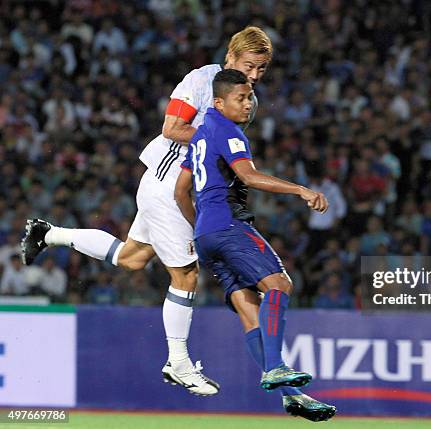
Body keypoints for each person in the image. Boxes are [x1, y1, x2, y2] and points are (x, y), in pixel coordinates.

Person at [21, 26, 274, 397]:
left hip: (181, 188)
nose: (254, 76)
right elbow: (171, 127)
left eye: (262, 69)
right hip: (168, 186)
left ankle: (48, 233)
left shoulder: (246, 98)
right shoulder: (203, 80)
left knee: (131, 258)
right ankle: (178, 361)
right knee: (186, 275)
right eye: (249, 66)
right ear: (231, 57)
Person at [175, 69, 336, 422]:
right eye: (241, 98)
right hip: (228, 225)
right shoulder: (227, 131)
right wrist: (301, 190)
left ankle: (292, 397)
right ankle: (276, 366)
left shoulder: (200, 135)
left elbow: (180, 190)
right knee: (279, 284)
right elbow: (248, 176)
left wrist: (200, 227)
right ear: (218, 102)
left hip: (206, 236)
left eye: (250, 98)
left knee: (250, 313)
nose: (248, 105)